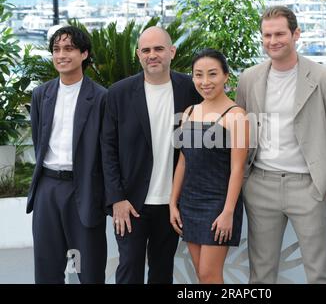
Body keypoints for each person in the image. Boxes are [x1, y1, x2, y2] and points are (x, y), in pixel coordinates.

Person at [236, 6, 326, 284]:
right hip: (260, 185)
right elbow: (240, 133)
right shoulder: (249, 78)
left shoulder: (322, 77)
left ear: (296, 34)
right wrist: (246, 183)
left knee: (320, 273)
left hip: (308, 186)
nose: (273, 41)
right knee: (260, 274)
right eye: (267, 35)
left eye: (280, 33)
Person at [101, 26, 202, 284]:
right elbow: (108, 150)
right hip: (131, 204)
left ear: (172, 51)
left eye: (158, 49)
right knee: (129, 269)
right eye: (146, 50)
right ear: (138, 55)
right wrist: (117, 199)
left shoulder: (190, 89)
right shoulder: (119, 93)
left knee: (162, 270)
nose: (152, 55)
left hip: (172, 204)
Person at [27, 26, 107, 283]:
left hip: (83, 189)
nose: (61, 55)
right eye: (56, 49)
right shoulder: (41, 94)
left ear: (84, 54)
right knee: (47, 267)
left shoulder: (101, 97)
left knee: (88, 269)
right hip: (47, 188)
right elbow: (39, 140)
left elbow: (107, 151)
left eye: (69, 49)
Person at [169, 48, 248, 283]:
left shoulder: (236, 115)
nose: (205, 82)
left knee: (209, 274)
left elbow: (237, 169)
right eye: (198, 75)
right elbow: (184, 160)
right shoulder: (189, 112)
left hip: (218, 204)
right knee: (201, 275)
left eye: (212, 74)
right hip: (190, 202)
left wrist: (228, 212)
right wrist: (174, 202)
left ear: (226, 76)